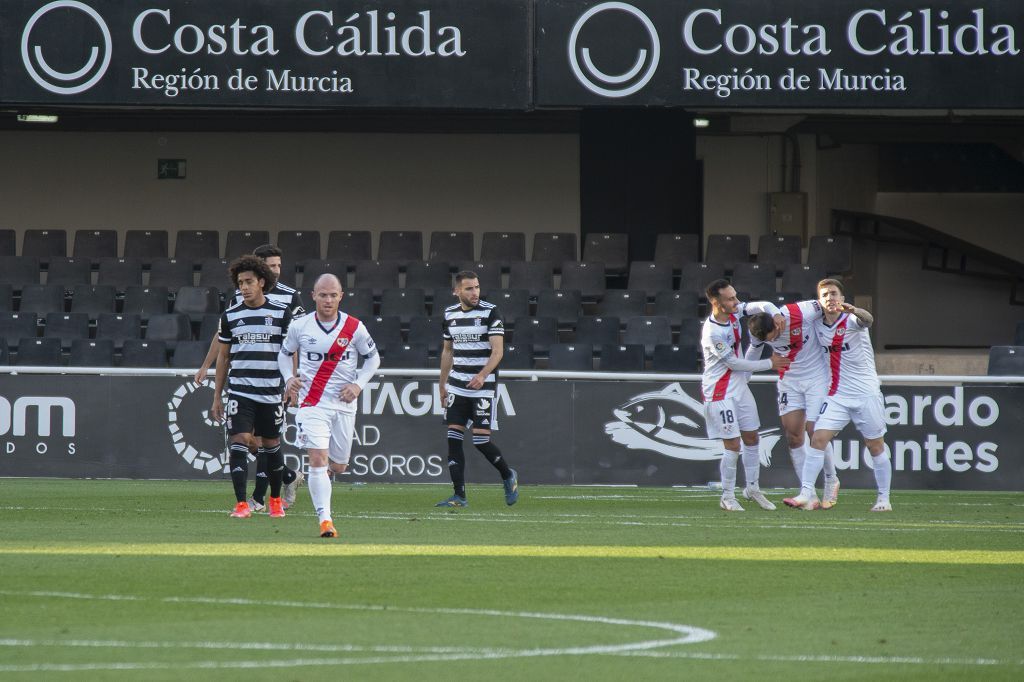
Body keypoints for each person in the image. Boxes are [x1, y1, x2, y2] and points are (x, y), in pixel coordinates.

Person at [195, 244, 305, 511]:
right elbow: (223, 344)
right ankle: (260, 494)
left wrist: (292, 381)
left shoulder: (288, 300)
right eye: (272, 265)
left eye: (279, 265)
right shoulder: (235, 304)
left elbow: (294, 345)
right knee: (246, 441)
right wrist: (206, 366)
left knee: (266, 443)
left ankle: (264, 496)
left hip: (270, 385)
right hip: (242, 387)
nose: (277, 270)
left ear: (261, 280)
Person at [279, 274, 380, 538]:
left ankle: (312, 481)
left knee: (338, 467)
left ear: (341, 296)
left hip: (344, 404)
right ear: (313, 295)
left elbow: (373, 359)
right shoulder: (300, 326)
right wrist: (289, 378)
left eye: (333, 295)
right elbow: (284, 354)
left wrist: (358, 385)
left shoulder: (354, 327)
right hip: (312, 403)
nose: (328, 300)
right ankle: (325, 520)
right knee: (317, 459)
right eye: (322, 294)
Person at [783, 278, 892, 512]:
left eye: (834, 293)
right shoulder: (817, 325)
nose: (830, 298)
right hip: (837, 394)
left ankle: (884, 499)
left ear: (842, 298)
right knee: (818, 439)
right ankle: (806, 493)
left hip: (866, 393)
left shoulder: (852, 319)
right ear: (819, 301)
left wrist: (856, 309)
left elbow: (868, 320)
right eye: (825, 295)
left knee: (875, 445)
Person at [700, 279, 790, 512]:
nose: (736, 301)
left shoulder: (734, 313)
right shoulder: (712, 333)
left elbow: (759, 306)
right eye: (730, 299)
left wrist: (774, 311)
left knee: (752, 438)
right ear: (716, 302)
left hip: (739, 387)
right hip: (720, 392)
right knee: (732, 445)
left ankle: (752, 488)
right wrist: (769, 363)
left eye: (735, 296)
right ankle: (727, 496)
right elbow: (733, 363)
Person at [746, 298, 841, 509]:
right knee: (793, 435)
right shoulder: (758, 334)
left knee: (814, 430)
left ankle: (831, 479)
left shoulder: (800, 312)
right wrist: (764, 365)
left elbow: (829, 306)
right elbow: (750, 358)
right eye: (772, 340)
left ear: (776, 322)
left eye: (776, 335)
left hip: (817, 377)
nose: (776, 340)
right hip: (790, 381)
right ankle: (809, 495)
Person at [436, 271, 518, 508]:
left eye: (477, 287)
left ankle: (507, 475)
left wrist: (482, 376)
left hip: (483, 388)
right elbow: (447, 352)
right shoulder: (449, 314)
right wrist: (442, 384)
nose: (475, 293)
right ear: (457, 291)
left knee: (481, 441)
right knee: (453, 439)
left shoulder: (491, 312)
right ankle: (459, 496)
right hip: (458, 386)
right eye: (469, 288)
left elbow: (498, 352)